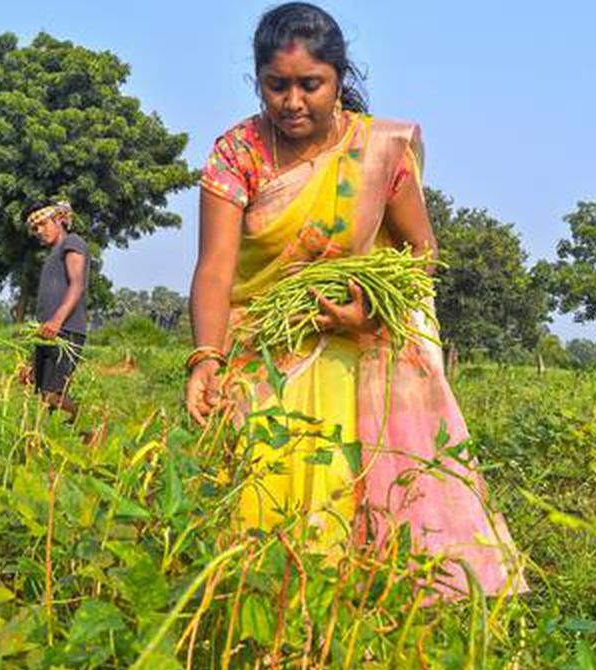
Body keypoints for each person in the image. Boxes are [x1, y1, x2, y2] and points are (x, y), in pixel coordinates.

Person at [186, 2, 524, 598]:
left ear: (339, 79)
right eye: (277, 86)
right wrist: (206, 358)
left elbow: (421, 249)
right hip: (263, 354)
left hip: (356, 354)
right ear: (257, 81)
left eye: (310, 85)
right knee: (259, 512)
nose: (293, 101)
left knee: (353, 506)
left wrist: (370, 311)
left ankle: (357, 634)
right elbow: (214, 269)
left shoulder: (379, 150)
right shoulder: (238, 153)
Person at [23, 200, 89, 418]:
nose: (39, 232)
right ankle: (59, 442)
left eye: (42, 224)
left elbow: (77, 283)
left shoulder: (72, 242)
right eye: (35, 229)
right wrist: (31, 361)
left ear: (60, 219)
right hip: (48, 332)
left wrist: (57, 321)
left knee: (52, 395)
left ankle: (88, 426)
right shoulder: (51, 256)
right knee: (43, 396)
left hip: (66, 330)